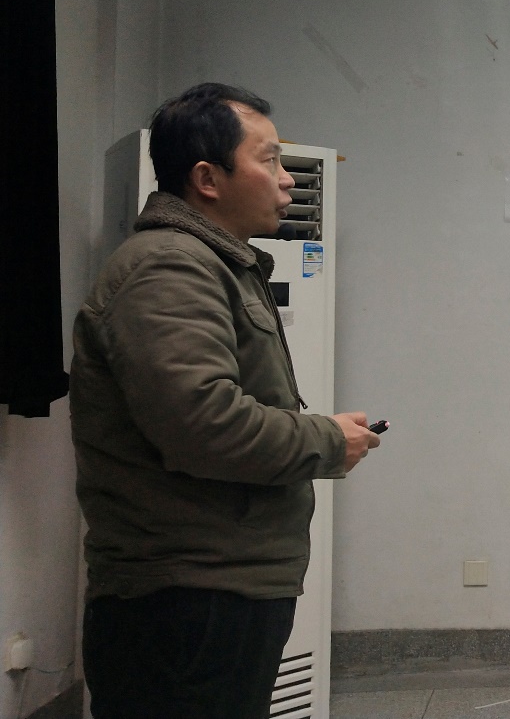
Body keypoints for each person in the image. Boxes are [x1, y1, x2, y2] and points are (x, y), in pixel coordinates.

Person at [69, 83, 380, 719]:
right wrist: (326, 441)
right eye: (269, 159)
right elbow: (204, 425)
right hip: (186, 602)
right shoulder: (169, 268)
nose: (287, 178)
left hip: (213, 590)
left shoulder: (211, 263)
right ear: (207, 178)